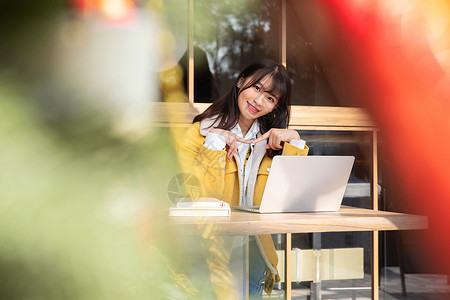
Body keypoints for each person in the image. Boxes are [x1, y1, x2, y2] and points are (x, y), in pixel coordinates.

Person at [177, 59, 309, 298]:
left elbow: (292, 198)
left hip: (254, 251)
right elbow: (194, 194)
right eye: (256, 88)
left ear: (275, 108)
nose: (259, 101)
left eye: (270, 98)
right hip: (206, 251)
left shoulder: (273, 144)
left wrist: (295, 142)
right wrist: (215, 144)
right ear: (240, 82)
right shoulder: (200, 134)